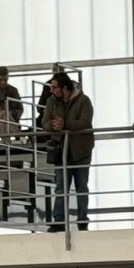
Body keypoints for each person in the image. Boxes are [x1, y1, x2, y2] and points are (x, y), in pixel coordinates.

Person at [41, 70, 95, 232]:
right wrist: (53, 125)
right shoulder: (51, 102)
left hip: (80, 150)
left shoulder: (84, 101)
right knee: (60, 186)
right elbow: (44, 122)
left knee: (81, 185)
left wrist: (65, 124)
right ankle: (59, 219)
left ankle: (82, 217)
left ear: (64, 88)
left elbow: (86, 122)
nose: (52, 90)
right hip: (60, 150)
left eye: (54, 87)